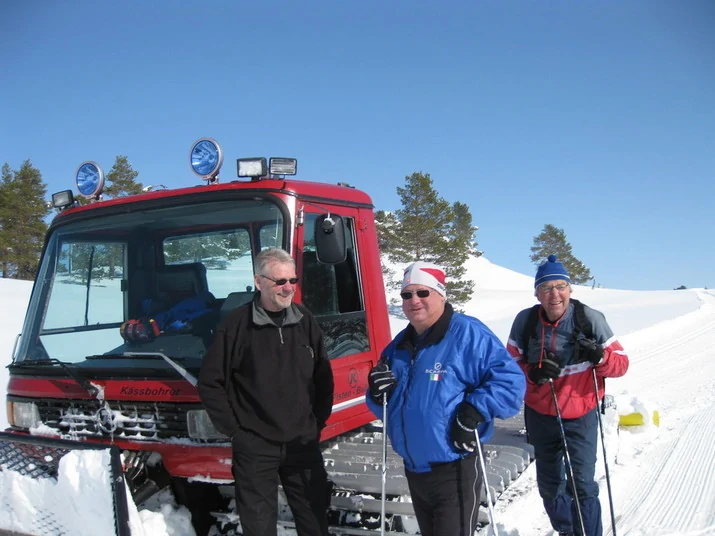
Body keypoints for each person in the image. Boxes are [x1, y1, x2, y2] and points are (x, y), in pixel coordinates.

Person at [365, 261, 526, 536]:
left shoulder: (467, 333)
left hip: (454, 468)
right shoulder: (399, 346)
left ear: (441, 294)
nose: (414, 300)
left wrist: (473, 411)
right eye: (407, 294)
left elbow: (511, 383)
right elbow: (384, 406)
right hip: (415, 470)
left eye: (423, 292)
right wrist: (377, 393)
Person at [198, 248, 334, 536]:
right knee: (258, 526)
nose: (288, 288)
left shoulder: (304, 319)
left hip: (302, 442)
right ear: (258, 282)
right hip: (256, 445)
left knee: (314, 520)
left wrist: (316, 423)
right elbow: (211, 381)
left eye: (292, 281)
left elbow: (323, 375)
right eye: (279, 281)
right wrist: (236, 432)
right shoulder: (236, 325)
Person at [506, 254, 629, 536]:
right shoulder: (525, 322)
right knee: (549, 486)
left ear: (570, 290)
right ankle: (567, 529)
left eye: (560, 286)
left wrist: (600, 357)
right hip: (541, 415)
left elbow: (621, 364)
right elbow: (508, 365)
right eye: (547, 287)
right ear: (537, 292)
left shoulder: (589, 320)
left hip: (581, 414)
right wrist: (532, 373)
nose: (554, 294)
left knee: (583, 484)